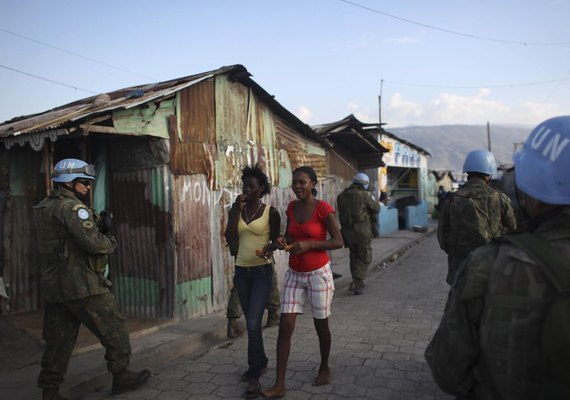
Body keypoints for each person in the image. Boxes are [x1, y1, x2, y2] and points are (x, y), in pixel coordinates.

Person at [426, 116, 570, 399]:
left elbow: (447, 373)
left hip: (465, 270)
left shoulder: (455, 204)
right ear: (490, 174)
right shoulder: (500, 200)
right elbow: (513, 228)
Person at [33, 158, 150, 400]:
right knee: (114, 327)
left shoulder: (43, 207)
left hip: (55, 287)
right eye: (83, 183)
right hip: (83, 284)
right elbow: (95, 244)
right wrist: (109, 236)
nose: (87, 187)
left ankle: (50, 390)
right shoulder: (73, 209)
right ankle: (121, 375)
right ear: (69, 182)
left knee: (59, 341)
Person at [262, 166, 343, 399]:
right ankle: (279, 385)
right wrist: (281, 240)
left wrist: (309, 244)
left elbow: (338, 241)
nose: (297, 186)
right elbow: (291, 237)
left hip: (319, 273)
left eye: (303, 182)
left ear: (313, 184)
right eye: (295, 182)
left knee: (321, 325)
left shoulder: (323, 209)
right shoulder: (291, 207)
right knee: (285, 327)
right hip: (294, 274)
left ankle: (325, 366)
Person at [224, 164, 281, 399]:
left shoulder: (271, 212)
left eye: (251, 186)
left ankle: (255, 375)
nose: (246, 189)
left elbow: (277, 240)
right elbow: (229, 237)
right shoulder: (235, 210)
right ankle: (263, 360)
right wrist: (235, 211)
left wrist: (269, 247)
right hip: (241, 272)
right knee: (252, 322)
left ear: (262, 189)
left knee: (254, 323)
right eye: (244, 185)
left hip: (262, 273)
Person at [437, 149, 517, 285]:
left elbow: (442, 238)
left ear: (467, 173)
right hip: (492, 270)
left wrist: (458, 253)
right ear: (489, 175)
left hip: (460, 270)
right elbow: (513, 232)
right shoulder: (500, 198)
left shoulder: (452, 199)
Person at [336, 172, 381, 295]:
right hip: (362, 231)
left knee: (354, 255)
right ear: (364, 183)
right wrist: (372, 196)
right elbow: (376, 208)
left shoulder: (341, 196)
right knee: (366, 255)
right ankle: (357, 281)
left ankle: (357, 281)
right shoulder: (365, 195)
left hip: (347, 232)